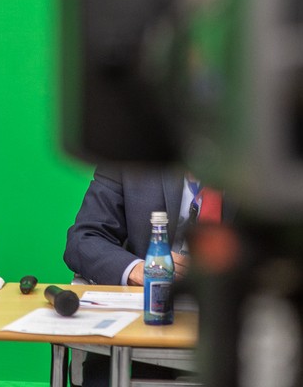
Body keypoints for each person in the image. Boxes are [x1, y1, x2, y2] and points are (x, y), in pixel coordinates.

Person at [63, 163, 222, 386]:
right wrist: (137, 269)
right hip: (140, 330)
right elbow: (84, 239)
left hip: (228, 330)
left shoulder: (263, 164)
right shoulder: (129, 159)